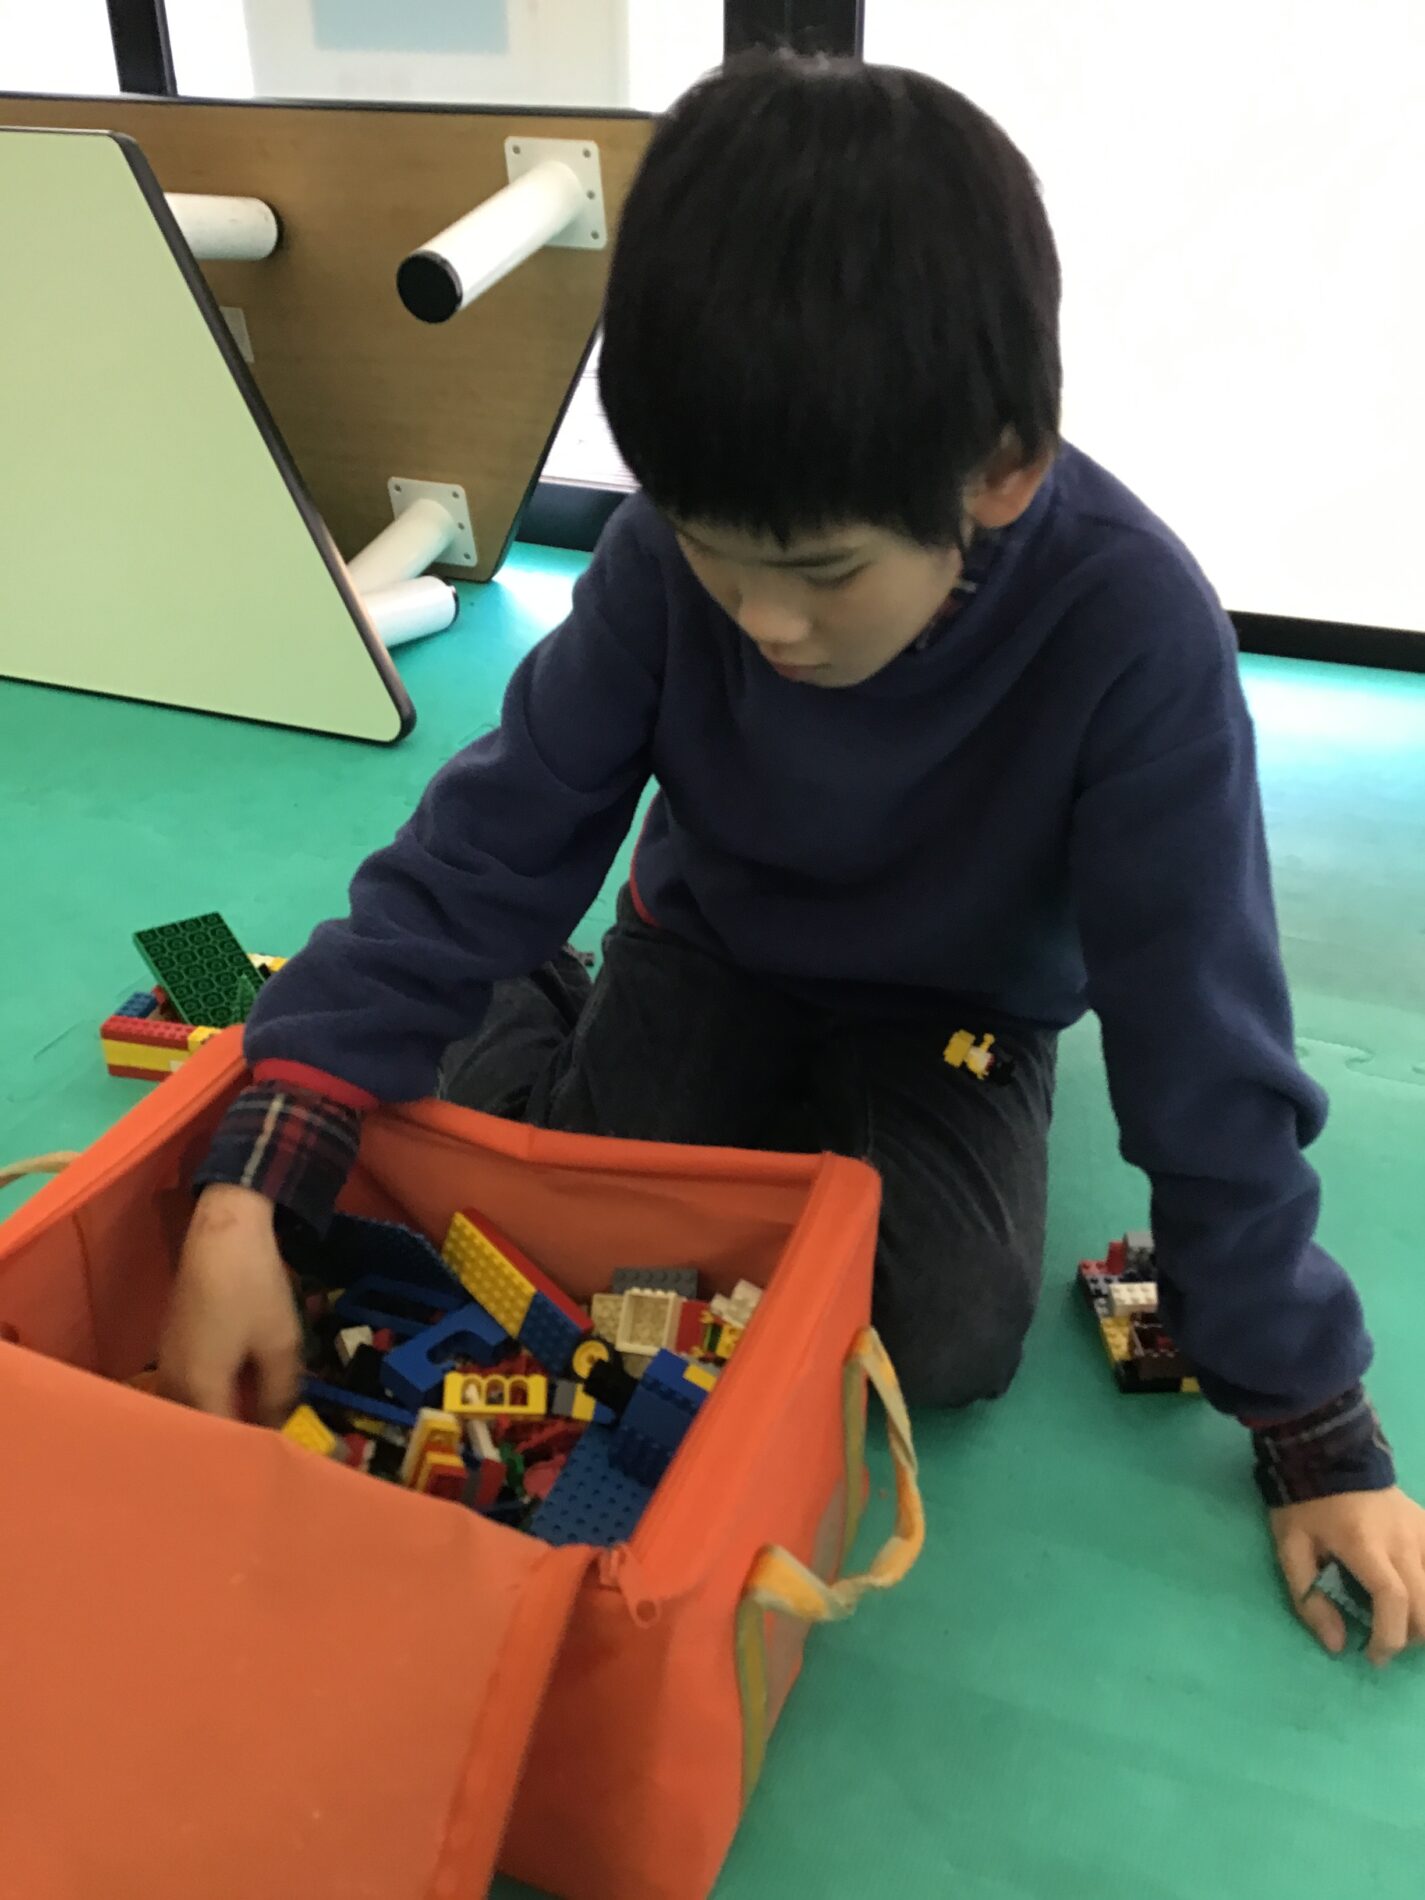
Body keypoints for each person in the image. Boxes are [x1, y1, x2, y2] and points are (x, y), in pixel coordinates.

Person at [158, 52, 1424, 1663]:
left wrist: (1312, 1427)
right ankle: (527, 993)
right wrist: (251, 1184)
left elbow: (1203, 1031)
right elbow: (497, 827)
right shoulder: (657, 564)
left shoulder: (1133, 631)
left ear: (1000, 475)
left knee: (947, 1337)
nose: (766, 621)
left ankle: (574, 1041)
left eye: (823, 573)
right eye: (714, 555)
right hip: (711, 940)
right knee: (575, 1233)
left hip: (957, 1010)